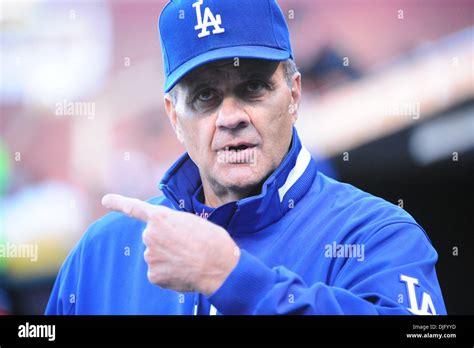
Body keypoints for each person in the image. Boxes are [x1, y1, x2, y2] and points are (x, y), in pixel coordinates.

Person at [46, 0, 446, 315]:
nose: (231, 117)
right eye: (205, 96)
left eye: (253, 87)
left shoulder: (378, 234)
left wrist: (230, 277)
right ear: (173, 115)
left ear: (293, 93)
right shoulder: (101, 253)